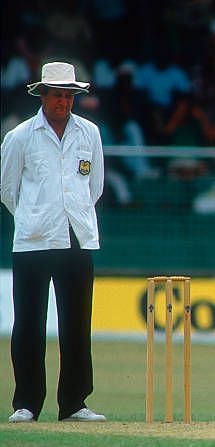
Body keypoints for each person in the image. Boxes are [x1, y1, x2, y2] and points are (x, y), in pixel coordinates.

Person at [0, 62, 106, 422]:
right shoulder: (20, 136)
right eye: (57, 94)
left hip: (77, 240)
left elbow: (95, 187)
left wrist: (69, 217)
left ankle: (74, 403)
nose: (64, 101)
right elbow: (7, 190)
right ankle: (26, 403)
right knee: (28, 324)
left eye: (69, 95)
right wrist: (35, 217)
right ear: (42, 95)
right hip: (32, 240)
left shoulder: (89, 133)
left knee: (77, 325)